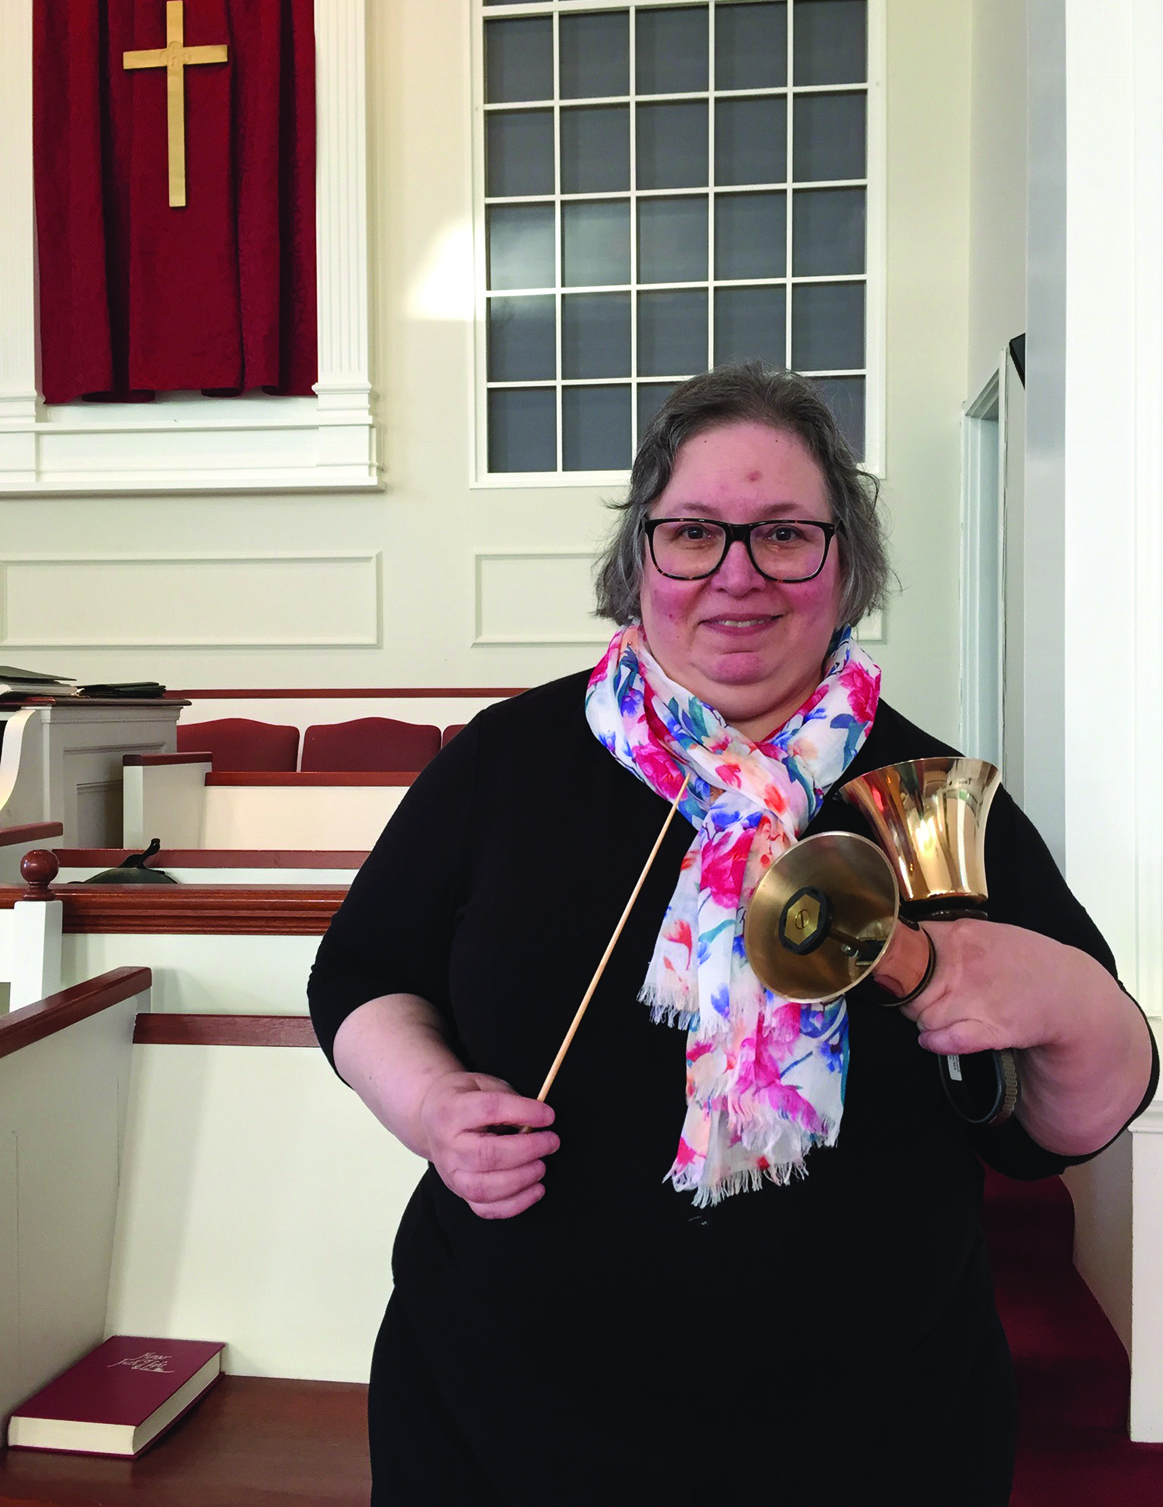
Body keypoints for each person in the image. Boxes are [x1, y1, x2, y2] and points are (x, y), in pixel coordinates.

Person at [307, 365, 1156, 1506]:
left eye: (785, 535)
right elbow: (361, 972)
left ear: (843, 558)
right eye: (693, 533)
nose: (737, 576)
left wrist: (1070, 1001)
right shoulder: (502, 760)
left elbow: (1049, 1132)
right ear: (638, 558)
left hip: (866, 1447)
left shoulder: (933, 796)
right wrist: (425, 1102)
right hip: (500, 1424)